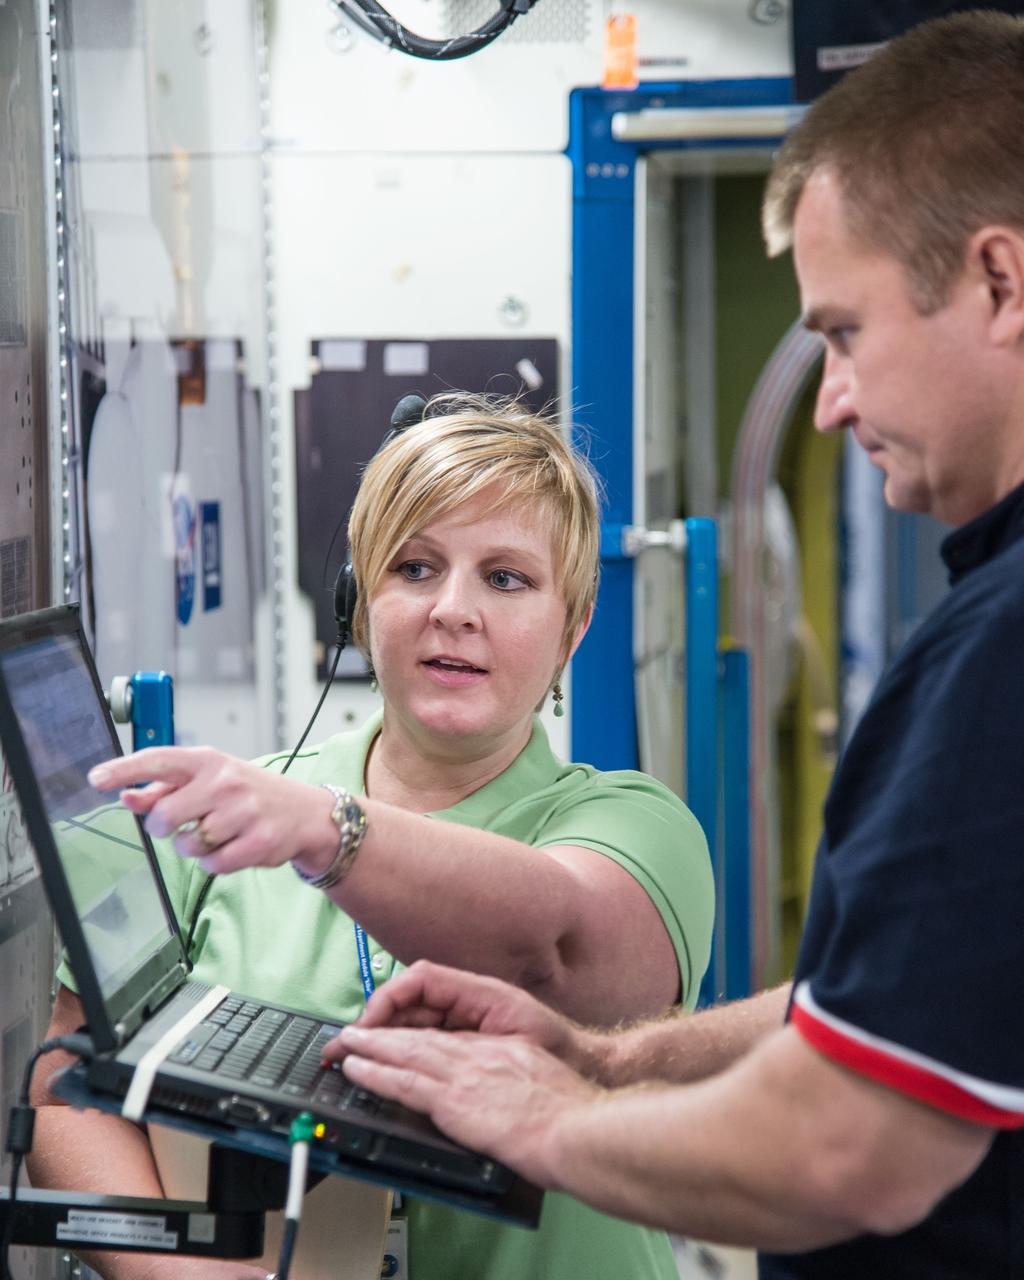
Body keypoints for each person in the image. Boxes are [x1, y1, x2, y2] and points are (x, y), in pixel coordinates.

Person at [320, 12, 1024, 1278]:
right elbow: (880, 1016)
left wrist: (551, 1114)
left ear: (999, 281)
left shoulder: (1003, 647)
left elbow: (849, 1146)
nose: (834, 397)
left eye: (847, 332)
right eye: (414, 569)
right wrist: (611, 1053)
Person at [29, 393, 715, 1280]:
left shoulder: (634, 823)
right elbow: (66, 1063)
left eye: (506, 578)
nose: (453, 610)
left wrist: (327, 831)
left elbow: (563, 946)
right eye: (416, 568)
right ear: (360, 601)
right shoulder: (229, 815)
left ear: (571, 630)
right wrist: (173, 1272)